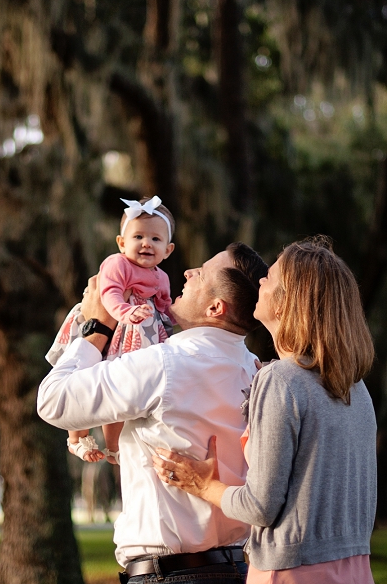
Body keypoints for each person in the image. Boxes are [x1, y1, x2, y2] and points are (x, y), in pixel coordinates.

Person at [37, 243, 269, 583]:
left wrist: (97, 325)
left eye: (201, 273)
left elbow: (54, 402)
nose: (188, 272)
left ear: (216, 307)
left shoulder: (165, 364)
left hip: (171, 575)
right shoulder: (255, 371)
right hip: (237, 569)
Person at [152, 238, 376, 584]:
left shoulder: (281, 380)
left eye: (269, 278)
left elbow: (260, 507)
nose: (259, 283)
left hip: (290, 573)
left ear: (290, 301)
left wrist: (203, 485)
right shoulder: (356, 389)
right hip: (356, 570)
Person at [46, 195, 177, 462]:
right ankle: (76, 438)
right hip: (112, 323)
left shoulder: (162, 277)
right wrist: (126, 312)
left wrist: (170, 318)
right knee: (85, 377)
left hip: (139, 330)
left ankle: (113, 446)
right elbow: (110, 294)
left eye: (155, 239)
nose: (146, 244)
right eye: (138, 237)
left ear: (168, 250)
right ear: (121, 243)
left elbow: (164, 303)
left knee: (118, 390)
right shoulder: (117, 264)